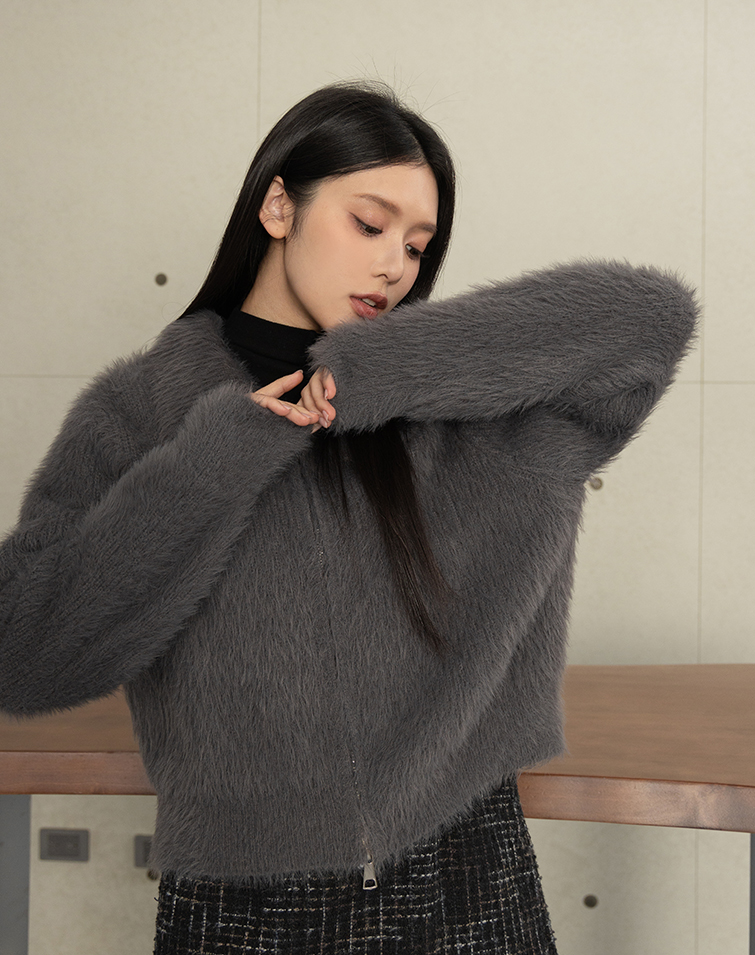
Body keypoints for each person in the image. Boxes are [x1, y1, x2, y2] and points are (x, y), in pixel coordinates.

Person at [0, 81, 697, 954]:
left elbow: (649, 321)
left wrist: (379, 369)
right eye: (369, 224)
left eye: (416, 245)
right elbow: (23, 653)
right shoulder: (141, 414)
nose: (395, 265)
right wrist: (215, 458)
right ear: (278, 206)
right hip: (240, 906)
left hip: (469, 883)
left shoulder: (462, 416)